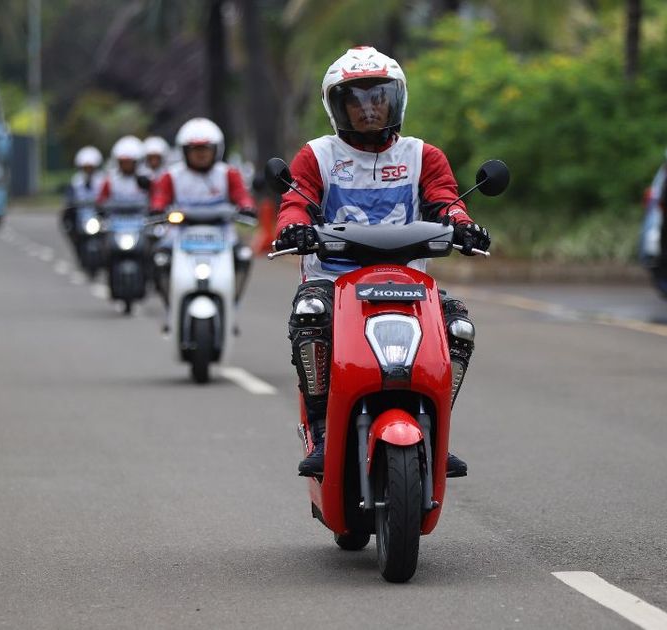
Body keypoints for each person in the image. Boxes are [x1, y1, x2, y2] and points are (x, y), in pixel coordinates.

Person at [273, 46, 491, 477]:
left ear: (397, 100)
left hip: (406, 284)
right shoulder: (316, 155)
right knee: (308, 312)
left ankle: (437, 432)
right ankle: (320, 430)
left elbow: (446, 200)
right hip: (334, 285)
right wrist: (292, 227)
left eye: (378, 98)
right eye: (356, 100)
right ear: (337, 107)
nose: (369, 109)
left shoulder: (423, 155)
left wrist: (463, 224)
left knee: (458, 326)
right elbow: (295, 202)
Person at [149, 118, 258, 315]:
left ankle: (232, 301)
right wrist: (157, 209)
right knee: (159, 258)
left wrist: (247, 207)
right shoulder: (171, 175)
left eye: (205, 149)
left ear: (216, 150)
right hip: (180, 232)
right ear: (184, 151)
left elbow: (242, 196)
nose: (200, 155)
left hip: (222, 232)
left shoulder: (228, 173)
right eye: (195, 150)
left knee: (244, 256)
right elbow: (160, 197)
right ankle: (170, 304)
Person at [96, 136, 149, 206]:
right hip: (115, 216)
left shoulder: (146, 179)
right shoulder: (111, 180)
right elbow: (101, 200)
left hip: (141, 216)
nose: (125, 165)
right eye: (122, 162)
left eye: (128, 162)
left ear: (136, 162)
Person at [62, 145, 103, 233]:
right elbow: (69, 199)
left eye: (90, 168)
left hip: (98, 218)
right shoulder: (75, 181)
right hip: (81, 217)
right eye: (85, 168)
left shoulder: (102, 181)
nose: (88, 170)